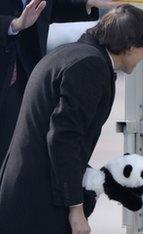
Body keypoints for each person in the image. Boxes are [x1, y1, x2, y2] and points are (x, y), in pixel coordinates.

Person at [0, 4, 143, 234]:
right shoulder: (89, 65)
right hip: (37, 205)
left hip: (26, 196)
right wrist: (76, 209)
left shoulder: (74, 54)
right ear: (130, 46)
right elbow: (64, 139)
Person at [0, 0, 121, 167]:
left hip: (26, 77)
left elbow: (50, 8)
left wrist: (88, 3)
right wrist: (13, 24)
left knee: (18, 154)